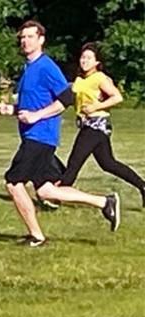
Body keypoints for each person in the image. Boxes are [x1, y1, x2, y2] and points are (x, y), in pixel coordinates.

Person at [0, 20, 120, 247]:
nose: (25, 41)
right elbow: (31, 105)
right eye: (23, 37)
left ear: (41, 40)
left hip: (41, 137)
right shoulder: (28, 69)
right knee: (45, 190)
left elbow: (66, 98)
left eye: (30, 37)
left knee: (13, 183)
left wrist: (37, 116)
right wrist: (11, 110)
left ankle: (37, 236)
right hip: (33, 135)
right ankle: (104, 202)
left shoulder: (46, 66)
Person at [58, 42, 145, 205]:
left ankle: (55, 198)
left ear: (97, 62)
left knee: (73, 164)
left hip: (95, 126)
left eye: (89, 58)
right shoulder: (79, 79)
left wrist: (96, 106)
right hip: (87, 126)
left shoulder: (99, 78)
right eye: (83, 57)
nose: (84, 61)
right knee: (108, 163)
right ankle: (143, 186)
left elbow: (117, 97)